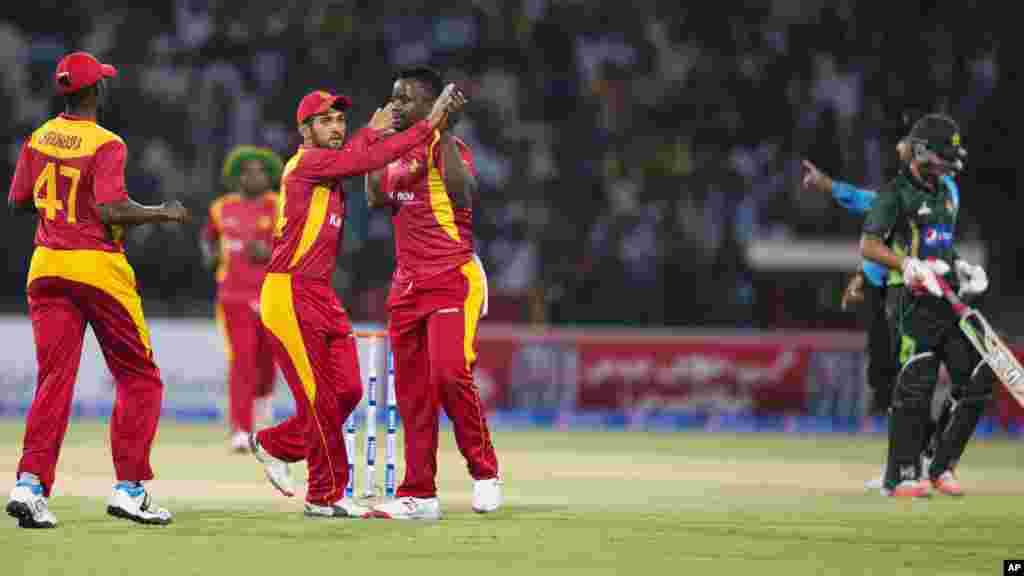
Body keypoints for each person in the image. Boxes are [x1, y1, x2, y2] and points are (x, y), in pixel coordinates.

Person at [247, 85, 466, 518]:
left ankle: (273, 444)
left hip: (321, 294)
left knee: (346, 389)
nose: (336, 127)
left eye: (340, 120)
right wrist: (426, 125)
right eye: (325, 120)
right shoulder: (306, 164)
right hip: (289, 291)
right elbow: (364, 160)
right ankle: (324, 496)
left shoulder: (331, 168)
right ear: (304, 129)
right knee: (319, 400)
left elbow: (360, 162)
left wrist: (371, 137)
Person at [5, 52, 189, 528]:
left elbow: (19, 200)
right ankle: (129, 489)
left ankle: (29, 483)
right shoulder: (108, 143)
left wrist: (60, 214)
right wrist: (160, 214)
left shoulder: (39, 135)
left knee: (53, 381)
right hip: (97, 270)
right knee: (139, 378)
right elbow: (111, 210)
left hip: (46, 267)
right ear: (98, 91)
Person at [365, 67, 500, 520]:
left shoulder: (451, 148)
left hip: (452, 276)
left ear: (430, 105)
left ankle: (485, 473)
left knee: (449, 375)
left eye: (405, 99)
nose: (396, 106)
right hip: (407, 284)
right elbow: (375, 199)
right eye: (393, 98)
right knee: (413, 393)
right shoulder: (394, 152)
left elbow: (464, 197)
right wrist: (372, 143)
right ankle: (419, 495)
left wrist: (443, 133)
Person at [802, 143, 954, 491]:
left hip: (906, 293)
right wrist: (861, 276)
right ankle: (906, 462)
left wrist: (825, 184)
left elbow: (861, 204)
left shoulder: (918, 200)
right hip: (882, 291)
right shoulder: (894, 198)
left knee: (905, 379)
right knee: (884, 379)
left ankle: (912, 463)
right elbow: (867, 220)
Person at [860, 113, 990, 497]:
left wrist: (961, 266)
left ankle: (941, 465)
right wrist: (907, 264)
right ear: (921, 153)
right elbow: (869, 245)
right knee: (918, 380)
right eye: (942, 155)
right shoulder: (895, 193)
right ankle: (901, 476)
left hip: (946, 296)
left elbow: (941, 240)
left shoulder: (947, 190)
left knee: (977, 376)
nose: (950, 163)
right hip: (911, 298)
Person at [201, 146, 282, 452]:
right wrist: (209, 256)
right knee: (241, 360)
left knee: (268, 361)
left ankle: (262, 415)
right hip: (233, 295)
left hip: (271, 294)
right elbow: (207, 238)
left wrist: (270, 253)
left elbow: (296, 244)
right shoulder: (221, 207)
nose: (252, 176)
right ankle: (240, 429)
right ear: (236, 176)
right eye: (245, 171)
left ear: (269, 175)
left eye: (258, 171)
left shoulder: (279, 204)